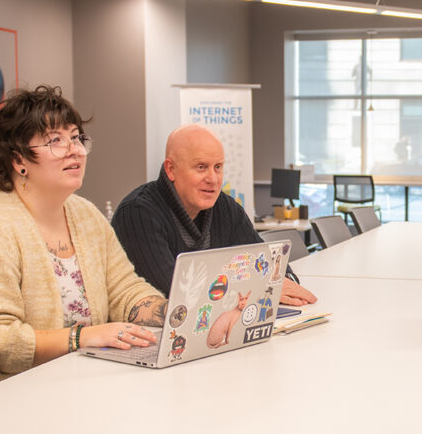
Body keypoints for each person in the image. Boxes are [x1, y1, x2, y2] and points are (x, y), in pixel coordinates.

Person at [0, 86, 166, 393]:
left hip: (58, 392)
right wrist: (82, 337)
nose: (76, 150)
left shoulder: (85, 215)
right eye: (55, 140)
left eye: (76, 137)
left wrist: (174, 314)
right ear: (18, 160)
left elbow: (125, 291)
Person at [112, 125, 317, 306]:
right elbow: (177, 293)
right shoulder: (137, 214)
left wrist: (282, 280)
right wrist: (262, 288)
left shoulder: (224, 207)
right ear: (170, 169)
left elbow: (270, 266)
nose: (213, 179)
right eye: (201, 167)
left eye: (218, 167)